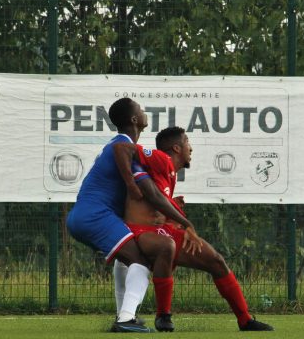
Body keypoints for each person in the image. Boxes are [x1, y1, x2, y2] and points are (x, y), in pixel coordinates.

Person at [114, 126, 274, 332]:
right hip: (141, 231)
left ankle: (245, 320)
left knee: (216, 260)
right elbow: (122, 148)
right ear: (177, 148)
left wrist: (173, 209)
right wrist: (130, 183)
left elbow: (155, 200)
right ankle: (162, 315)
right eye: (188, 142)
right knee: (167, 246)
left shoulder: (168, 172)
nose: (192, 148)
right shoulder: (161, 158)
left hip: (160, 230)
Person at [66, 99, 201, 333]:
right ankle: (126, 318)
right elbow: (145, 188)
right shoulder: (123, 145)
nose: (144, 112)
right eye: (140, 109)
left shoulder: (123, 146)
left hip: (86, 215)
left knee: (125, 259)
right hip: (95, 216)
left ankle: (125, 315)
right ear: (134, 120)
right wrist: (131, 184)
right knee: (141, 261)